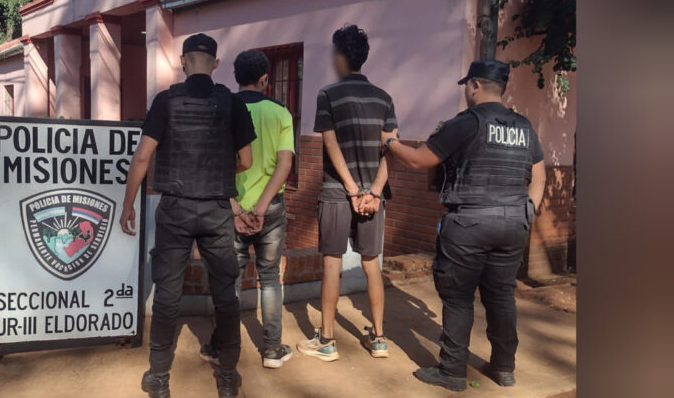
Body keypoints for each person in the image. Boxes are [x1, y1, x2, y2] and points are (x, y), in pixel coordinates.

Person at [381, 60, 546, 392]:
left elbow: (418, 160)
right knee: (501, 297)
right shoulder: (524, 127)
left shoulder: (467, 123)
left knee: (458, 298)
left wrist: (389, 143)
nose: (467, 92)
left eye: (467, 86)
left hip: (469, 222)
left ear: (475, 86)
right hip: (513, 223)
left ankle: (452, 372)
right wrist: (526, 213)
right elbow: (539, 176)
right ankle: (504, 368)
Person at [119, 33, 256, 398]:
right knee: (226, 295)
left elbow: (143, 156)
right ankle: (229, 376)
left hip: (176, 209)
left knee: (167, 294)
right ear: (215, 64)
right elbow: (246, 161)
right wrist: (218, 174)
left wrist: (128, 203)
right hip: (216, 210)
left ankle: (158, 376)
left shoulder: (165, 101)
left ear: (182, 61)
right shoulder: (232, 103)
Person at [296, 24, 396, 361]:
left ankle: (326, 341)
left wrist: (352, 190)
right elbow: (391, 149)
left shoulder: (328, 94)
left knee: (331, 264)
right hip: (372, 196)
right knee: (372, 264)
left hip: (337, 191)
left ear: (340, 57)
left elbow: (330, 143)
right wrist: (374, 192)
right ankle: (379, 339)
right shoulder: (384, 98)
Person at [200, 50, 295, 369]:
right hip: (271, 211)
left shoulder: (222, 109)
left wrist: (236, 208)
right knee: (269, 278)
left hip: (231, 209)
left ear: (236, 77)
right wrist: (262, 208)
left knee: (229, 281)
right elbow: (285, 165)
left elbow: (213, 164)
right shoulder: (281, 113)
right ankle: (272, 350)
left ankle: (220, 348)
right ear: (265, 79)